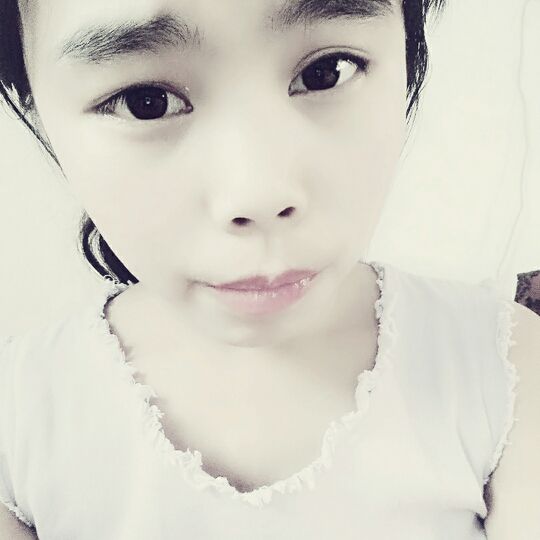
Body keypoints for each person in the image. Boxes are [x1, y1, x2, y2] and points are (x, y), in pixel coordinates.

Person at [0, 0, 539, 538]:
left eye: (326, 72)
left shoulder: (506, 369)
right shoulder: (17, 422)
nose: (259, 192)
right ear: (37, 114)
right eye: (147, 103)